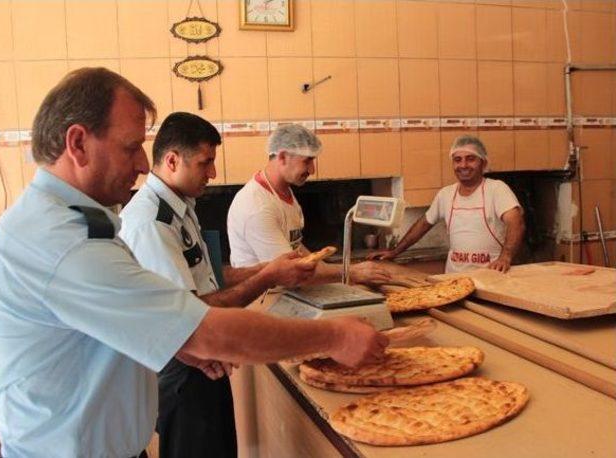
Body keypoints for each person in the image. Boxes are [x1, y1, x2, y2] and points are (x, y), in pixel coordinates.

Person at [0, 68, 388, 457]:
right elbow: (205, 328)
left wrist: (182, 339)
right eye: (130, 146)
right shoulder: (60, 240)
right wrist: (334, 337)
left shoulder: (77, 220)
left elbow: (135, 312)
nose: (141, 163)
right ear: (78, 143)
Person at [120, 112, 317, 457]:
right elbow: (190, 315)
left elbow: (210, 276)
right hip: (183, 369)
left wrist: (265, 268)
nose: (212, 173)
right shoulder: (152, 222)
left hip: (204, 360)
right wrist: (269, 277)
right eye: (205, 162)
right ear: (172, 160)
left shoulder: (180, 206)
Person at [227, 124, 392, 284]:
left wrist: (332, 272)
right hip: (262, 299)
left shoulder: (284, 192)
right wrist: (351, 272)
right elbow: (290, 271)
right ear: (283, 157)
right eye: (307, 161)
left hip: (286, 292)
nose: (312, 170)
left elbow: (296, 248)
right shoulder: (257, 206)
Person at [369, 135, 525, 273]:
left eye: (470, 159)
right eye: (458, 160)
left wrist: (505, 257)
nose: (463, 165)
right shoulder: (446, 194)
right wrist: (395, 252)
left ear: (483, 163)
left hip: (490, 276)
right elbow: (423, 224)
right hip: (454, 277)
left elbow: (516, 223)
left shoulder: (496, 189)